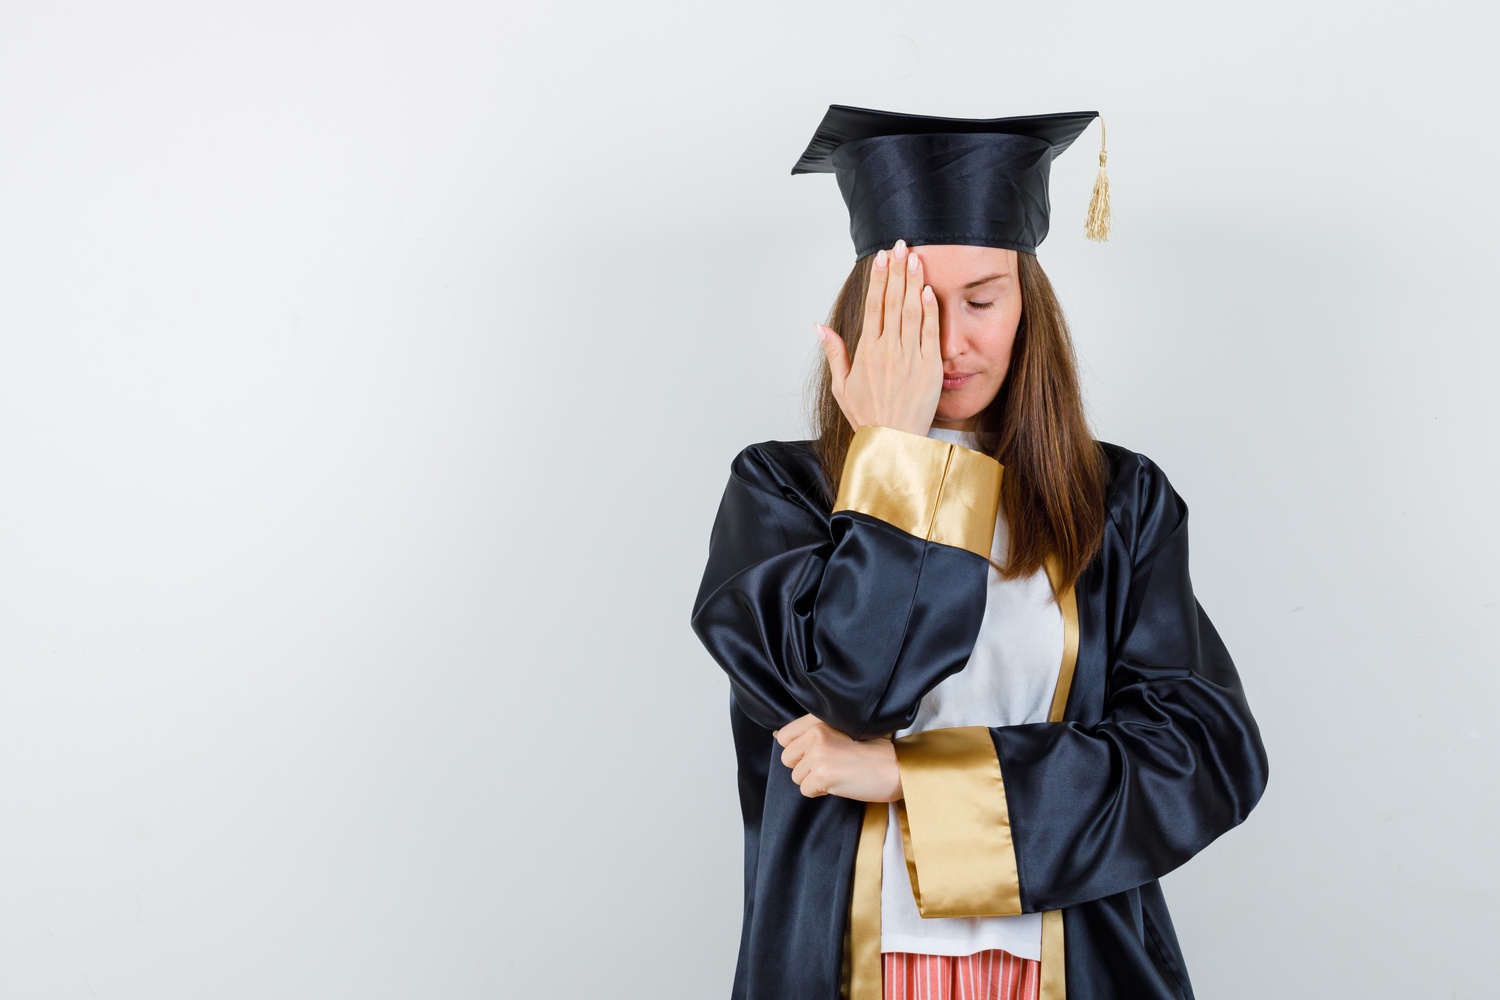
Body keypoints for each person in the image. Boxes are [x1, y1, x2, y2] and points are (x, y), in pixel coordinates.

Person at [690, 105, 1268, 1000]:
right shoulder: (783, 497)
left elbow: (1204, 758)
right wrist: (896, 453)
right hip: (846, 962)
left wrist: (906, 779)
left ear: (1028, 308)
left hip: (1072, 962)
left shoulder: (1120, 502)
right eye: (915, 303)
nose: (951, 343)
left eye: (983, 300)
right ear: (863, 312)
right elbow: (857, 691)